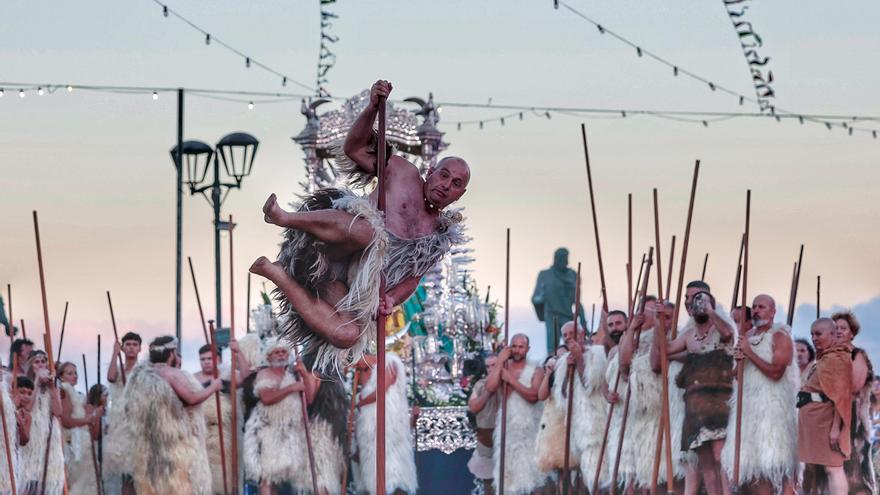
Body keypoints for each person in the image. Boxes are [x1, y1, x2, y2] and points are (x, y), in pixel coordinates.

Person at [251, 79, 469, 369]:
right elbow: (354, 148)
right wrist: (372, 107)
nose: (446, 185)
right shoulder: (402, 171)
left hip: (347, 284)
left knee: (348, 335)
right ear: (431, 171)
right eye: (444, 175)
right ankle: (285, 218)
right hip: (329, 250)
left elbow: (413, 279)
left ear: (460, 195)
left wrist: (390, 299)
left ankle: (277, 275)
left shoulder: (437, 237)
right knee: (370, 231)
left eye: (455, 184)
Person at [657, 282, 735, 495]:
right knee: (707, 464)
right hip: (695, 406)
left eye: (701, 300)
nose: (696, 304)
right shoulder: (688, 334)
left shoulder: (721, 326)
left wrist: (710, 310)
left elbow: (728, 335)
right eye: (692, 301)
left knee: (721, 459)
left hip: (720, 405)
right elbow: (663, 352)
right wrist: (660, 322)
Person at [721, 294, 798, 495]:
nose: (755, 310)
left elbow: (776, 373)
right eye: (754, 306)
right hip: (747, 412)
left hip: (771, 413)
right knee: (750, 471)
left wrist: (750, 353)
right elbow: (736, 376)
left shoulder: (780, 336)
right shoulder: (746, 337)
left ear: (773, 311)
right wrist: (738, 360)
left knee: (768, 468)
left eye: (761, 306)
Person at [125, 336, 216, 495]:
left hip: (147, 448)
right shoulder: (171, 373)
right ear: (171, 353)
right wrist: (214, 387)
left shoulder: (137, 377)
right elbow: (192, 399)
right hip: (175, 447)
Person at [243, 339, 308, 495]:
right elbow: (266, 398)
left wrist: (303, 373)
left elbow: (309, 397)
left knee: (287, 479)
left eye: (283, 352)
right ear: (269, 356)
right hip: (269, 431)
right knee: (268, 476)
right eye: (276, 352)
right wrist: (291, 388)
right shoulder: (264, 374)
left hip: (292, 433)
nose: (280, 355)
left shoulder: (293, 374)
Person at [798, 318, 853, 494]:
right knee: (813, 467)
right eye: (812, 334)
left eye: (818, 334)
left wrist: (836, 428)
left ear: (832, 334)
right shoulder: (825, 358)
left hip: (826, 421)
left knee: (833, 467)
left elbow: (841, 396)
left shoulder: (837, 357)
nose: (814, 338)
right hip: (814, 421)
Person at [486, 334, 545, 495]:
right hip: (507, 430)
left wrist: (511, 380)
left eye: (521, 346)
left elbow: (534, 396)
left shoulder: (537, 370)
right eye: (514, 346)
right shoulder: (503, 367)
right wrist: (499, 361)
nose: (517, 350)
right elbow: (490, 387)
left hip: (530, 430)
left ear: (528, 349)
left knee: (533, 478)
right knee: (508, 480)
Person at [194, 341, 253, 495]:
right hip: (203, 435)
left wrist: (238, 351)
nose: (206, 362)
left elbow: (246, 376)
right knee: (206, 480)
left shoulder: (227, 375)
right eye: (203, 359)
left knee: (229, 479)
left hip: (226, 434)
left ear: (217, 359)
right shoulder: (194, 379)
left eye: (209, 358)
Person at [355, 352, 418, 495]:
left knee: (394, 469)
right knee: (375, 467)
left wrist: (361, 403)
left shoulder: (389, 362)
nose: (356, 366)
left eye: (357, 362)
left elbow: (382, 389)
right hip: (372, 427)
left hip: (390, 423)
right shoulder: (366, 371)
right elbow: (365, 391)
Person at [833, 311, 876, 494]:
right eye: (835, 328)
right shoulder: (830, 356)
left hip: (854, 420)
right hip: (833, 418)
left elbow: (855, 387)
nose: (839, 332)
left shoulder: (857, 355)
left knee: (856, 473)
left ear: (852, 333)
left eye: (843, 328)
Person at [19, 350, 64, 495]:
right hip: (31, 442)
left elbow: (58, 412)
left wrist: (52, 388)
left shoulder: (53, 388)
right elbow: (27, 408)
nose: (41, 365)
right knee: (29, 483)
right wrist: (37, 381)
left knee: (47, 484)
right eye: (37, 362)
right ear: (31, 366)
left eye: (43, 361)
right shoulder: (26, 387)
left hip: (49, 444)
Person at [104, 331, 142, 494]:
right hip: (120, 422)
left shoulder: (144, 368)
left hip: (138, 419)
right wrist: (114, 353)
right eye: (128, 345)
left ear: (140, 348)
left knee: (139, 471)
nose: (131, 348)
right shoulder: (118, 367)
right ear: (123, 347)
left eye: (135, 345)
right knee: (125, 472)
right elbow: (111, 377)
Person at [531, 247, 587, 354]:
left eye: (565, 258)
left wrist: (583, 320)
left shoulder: (573, 275)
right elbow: (536, 297)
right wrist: (543, 297)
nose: (563, 261)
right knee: (553, 350)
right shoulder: (545, 275)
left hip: (568, 316)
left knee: (574, 344)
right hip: (552, 315)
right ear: (555, 259)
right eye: (560, 258)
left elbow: (577, 301)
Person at [57, 362, 102, 494]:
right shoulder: (65, 391)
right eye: (69, 373)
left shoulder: (78, 394)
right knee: (79, 484)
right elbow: (66, 420)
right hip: (74, 444)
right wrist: (89, 419)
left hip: (81, 443)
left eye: (75, 373)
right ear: (61, 377)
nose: (74, 376)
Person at [468, 353, 500, 495]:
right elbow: (473, 407)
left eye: (494, 365)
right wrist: (488, 390)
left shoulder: (509, 382)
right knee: (488, 481)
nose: (491, 369)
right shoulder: (480, 385)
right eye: (488, 366)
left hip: (506, 435)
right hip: (486, 437)